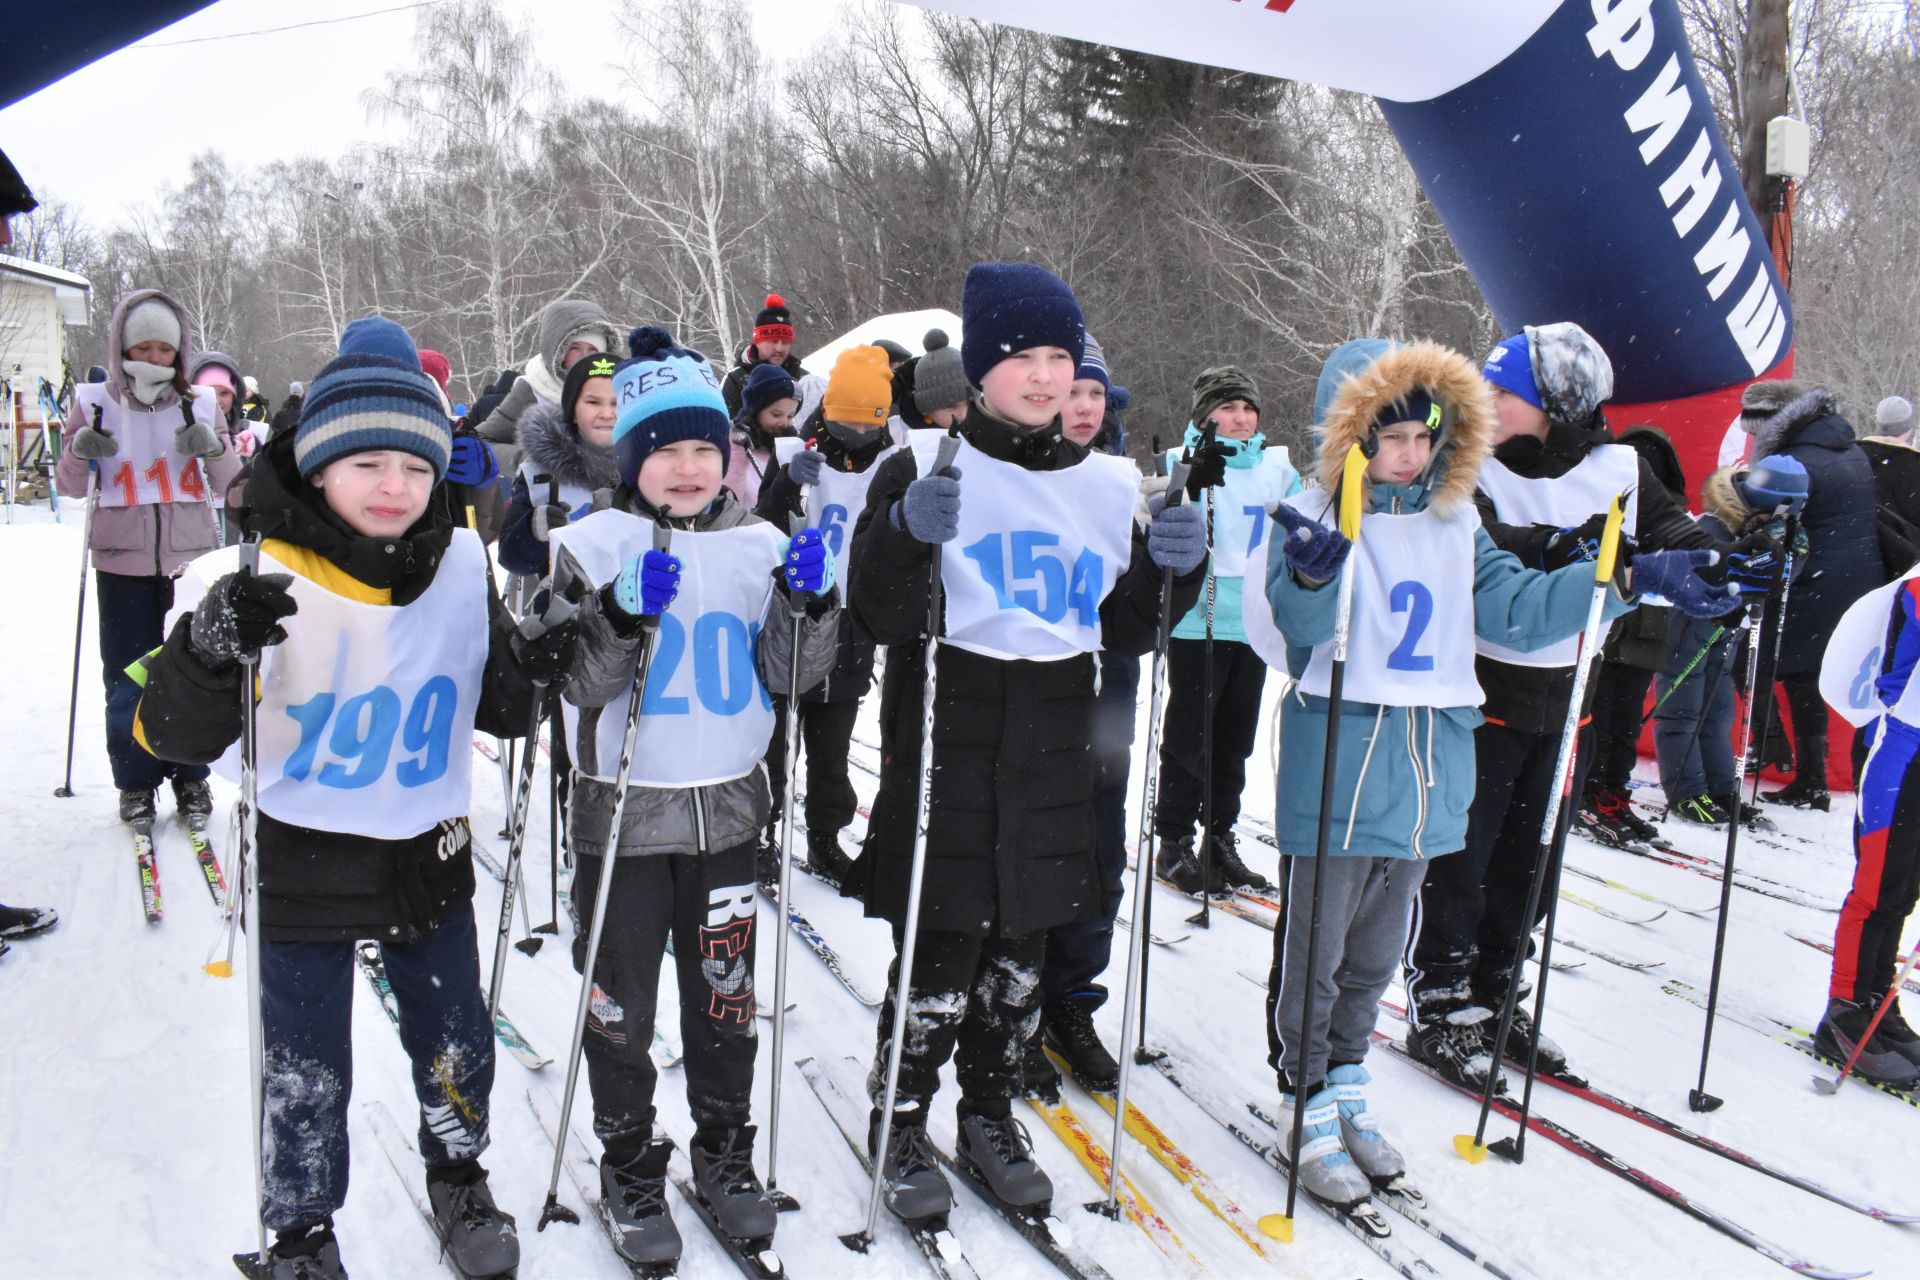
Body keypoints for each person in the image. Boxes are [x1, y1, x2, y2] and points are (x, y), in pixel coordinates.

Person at [134, 316, 562, 1280]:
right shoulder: (247, 573)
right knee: (305, 1065)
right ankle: (301, 1227)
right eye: (366, 463)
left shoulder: (457, 559)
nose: (393, 488)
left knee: (455, 1037)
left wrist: (536, 664)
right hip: (305, 847)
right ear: (320, 465)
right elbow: (169, 738)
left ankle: (457, 1174)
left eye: (414, 467)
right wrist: (207, 650)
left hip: (428, 848)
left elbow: (500, 706)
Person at [1261, 338, 1732, 1205]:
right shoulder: (1314, 514)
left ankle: (1349, 1078)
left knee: (1373, 947)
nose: (1410, 455)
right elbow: (1292, 631)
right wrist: (1306, 575)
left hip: (1427, 757)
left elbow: (1514, 608)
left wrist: (1622, 575)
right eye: (1389, 437)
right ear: (1352, 435)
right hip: (1342, 754)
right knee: (1319, 945)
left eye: (1423, 438)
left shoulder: (1456, 519)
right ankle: (1304, 1092)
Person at [844, 262, 1205, 1221]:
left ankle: (990, 1107)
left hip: (1055, 743)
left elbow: (1128, 627)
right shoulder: (924, 465)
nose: (1044, 377)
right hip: (952, 733)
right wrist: (902, 534)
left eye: (1058, 356)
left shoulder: (1106, 483)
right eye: (1020, 357)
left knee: (1021, 953)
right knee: (943, 947)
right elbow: (873, 613)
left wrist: (1180, 567)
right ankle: (903, 1112)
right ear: (980, 368)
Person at [548, 326, 839, 1269]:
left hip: (727, 817)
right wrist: (620, 614)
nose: (686, 468)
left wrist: (810, 604)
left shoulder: (760, 542)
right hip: (625, 820)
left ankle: (724, 1150)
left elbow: (792, 678)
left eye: (705, 449)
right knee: (621, 1009)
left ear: (728, 456)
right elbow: (577, 684)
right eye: (665, 450)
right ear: (630, 458)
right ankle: (631, 1159)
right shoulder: (589, 546)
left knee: (723, 1000)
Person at [1402, 322, 1751, 1089]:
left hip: (1571, 693)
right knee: (1463, 855)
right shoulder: (1470, 461)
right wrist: (1594, 552)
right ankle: (1441, 996)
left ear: (1558, 406)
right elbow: (1493, 545)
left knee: (1534, 860)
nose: (1487, 403)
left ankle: (1497, 990)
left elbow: (1674, 530)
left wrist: (1720, 560)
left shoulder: (1619, 464)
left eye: (1506, 394)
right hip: (1483, 685)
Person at [55, 289, 241, 830]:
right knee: (127, 678)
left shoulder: (200, 403)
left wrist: (213, 447)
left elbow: (231, 486)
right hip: (121, 560)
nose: (154, 358)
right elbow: (68, 485)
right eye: (144, 347)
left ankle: (190, 774)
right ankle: (136, 782)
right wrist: (79, 449)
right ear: (122, 347)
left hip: (188, 561)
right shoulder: (94, 403)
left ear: (179, 352)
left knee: (193, 672)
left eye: (165, 348)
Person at [1026, 331, 1149, 1098]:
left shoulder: (1120, 486)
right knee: (1032, 863)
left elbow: (1141, 614)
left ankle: (1074, 1001)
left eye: (1096, 393)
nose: (1082, 406)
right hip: (1035, 706)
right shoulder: (1018, 479)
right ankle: (1019, 1008)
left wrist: (1179, 562)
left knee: (1099, 862)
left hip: (1107, 706)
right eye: (1072, 391)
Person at [1153, 362, 1302, 897]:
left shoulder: (1279, 470)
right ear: (1204, 415)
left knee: (1233, 740)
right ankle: (1173, 839)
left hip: (1254, 623)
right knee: (1189, 735)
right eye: (1227, 408)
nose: (1239, 419)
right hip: (1200, 620)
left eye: (1246, 409)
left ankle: (1219, 837)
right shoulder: (1180, 461)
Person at [754, 344, 897, 887]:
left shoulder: (893, 462)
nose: (855, 433)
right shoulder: (800, 452)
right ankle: (763, 831)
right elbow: (762, 528)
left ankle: (824, 835)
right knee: (775, 739)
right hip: (792, 618)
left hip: (851, 623)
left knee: (832, 744)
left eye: (866, 423)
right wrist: (787, 481)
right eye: (845, 421)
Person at [1739, 379, 1881, 810]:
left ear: (1770, 423)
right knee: (1811, 676)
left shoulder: (1794, 462)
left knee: (1793, 674)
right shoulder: (1845, 446)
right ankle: (1816, 772)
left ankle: (1801, 772)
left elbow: (1774, 523)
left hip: (1814, 576)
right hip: (1856, 575)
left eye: (1753, 430)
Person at [1813, 557, 1920, 1086]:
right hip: (1901, 751)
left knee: (1903, 891)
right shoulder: (1918, 587)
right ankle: (1844, 1010)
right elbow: (1896, 680)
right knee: (1876, 888)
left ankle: (1878, 1004)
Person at [1656, 458, 1807, 825]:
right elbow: (1695, 572)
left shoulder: (1776, 526)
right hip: (1689, 623)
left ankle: (1721, 787)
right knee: (1683, 707)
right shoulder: (1715, 525)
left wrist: (1788, 553)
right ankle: (1686, 790)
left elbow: (1780, 578)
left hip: (1729, 627)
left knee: (1719, 708)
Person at [1576, 424, 1688, 847]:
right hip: (1616, 633)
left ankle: (1609, 792)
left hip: (1640, 635)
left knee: (1619, 723)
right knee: (1603, 720)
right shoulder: (1604, 508)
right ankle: (1591, 792)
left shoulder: (1668, 516)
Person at [497, 349, 621, 577]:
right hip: (566, 607)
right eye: (593, 402)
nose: (607, 413)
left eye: (617, 402)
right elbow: (510, 558)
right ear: (573, 411)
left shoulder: (654, 468)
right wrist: (533, 531)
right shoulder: (541, 472)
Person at [725, 362, 801, 510]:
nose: (784, 423)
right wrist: (737, 453)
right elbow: (728, 506)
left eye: (790, 416)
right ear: (756, 411)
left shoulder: (787, 445)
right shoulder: (736, 445)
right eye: (776, 414)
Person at [720, 293, 809, 419]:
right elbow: (726, 427)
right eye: (773, 341)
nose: (779, 348)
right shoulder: (735, 380)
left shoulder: (803, 378)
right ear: (757, 342)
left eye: (785, 343)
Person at [891, 329, 971, 434]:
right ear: (925, 409)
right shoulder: (902, 437)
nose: (964, 415)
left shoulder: (989, 434)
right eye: (951, 406)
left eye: (971, 403)